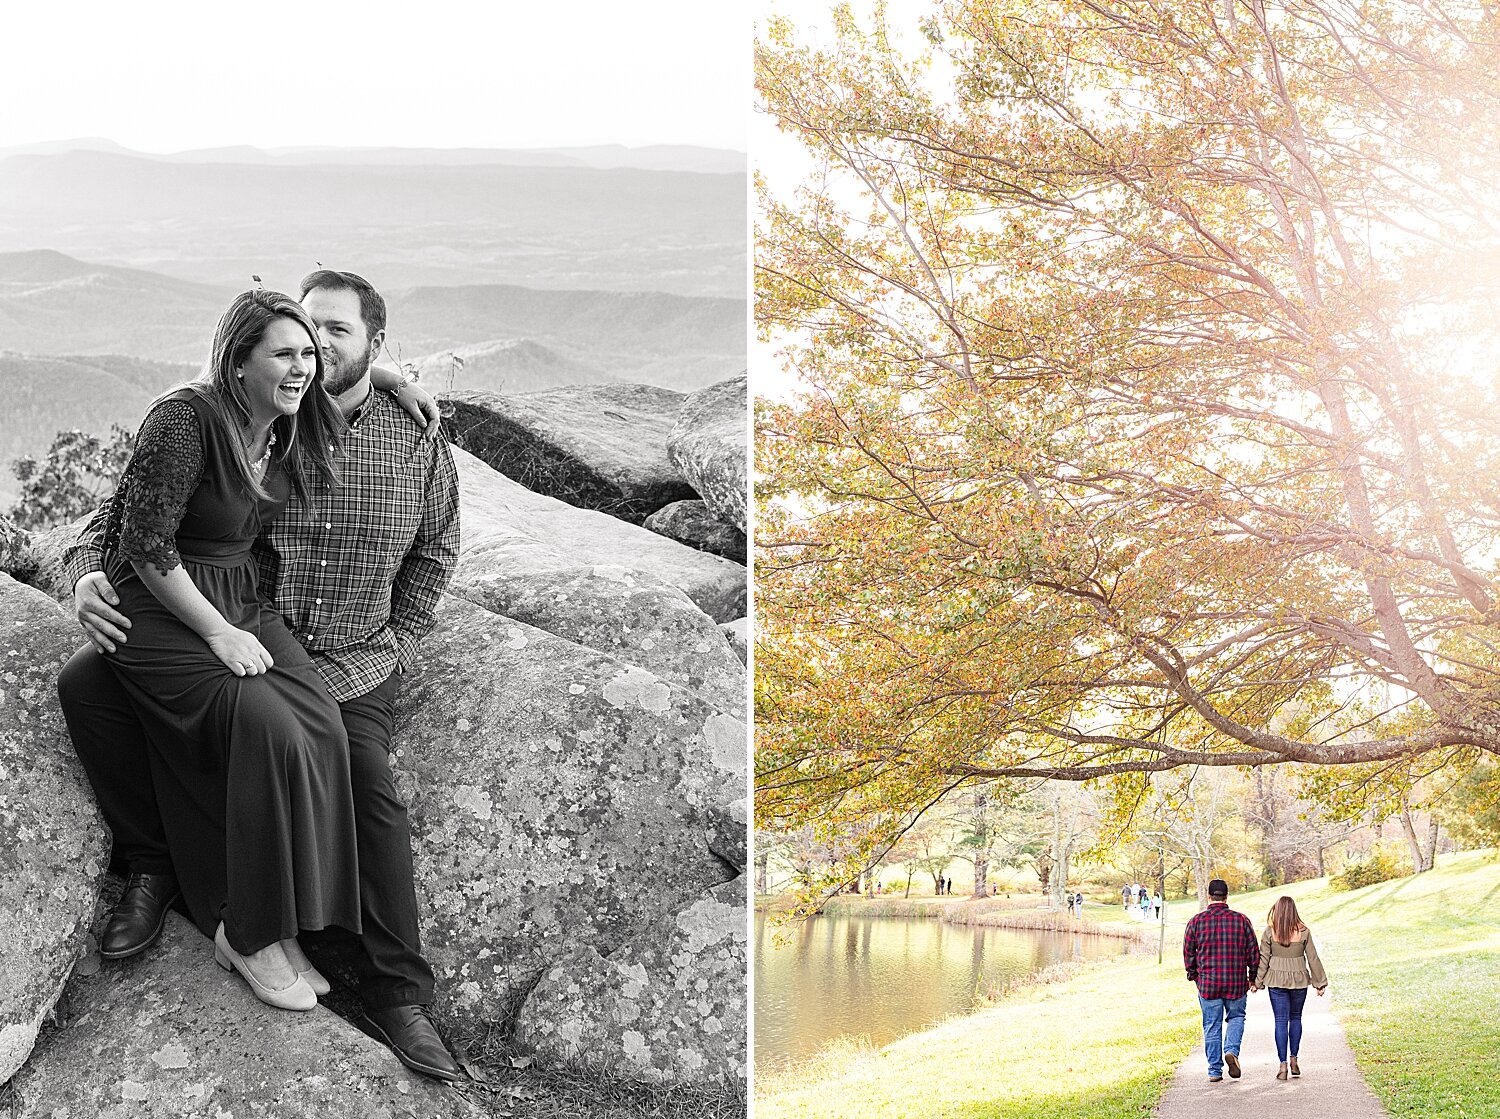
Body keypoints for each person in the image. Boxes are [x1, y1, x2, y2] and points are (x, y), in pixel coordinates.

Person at [61, 270, 463, 1081]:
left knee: (363, 778)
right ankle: (167, 872)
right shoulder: (265, 409)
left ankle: (394, 990)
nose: (312, 353)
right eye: (304, 335)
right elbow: (133, 512)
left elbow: (437, 553)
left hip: (352, 656)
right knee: (91, 685)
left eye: (332, 338)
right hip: (235, 617)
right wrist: (81, 571)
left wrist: (397, 645)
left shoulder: (410, 434)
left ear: (372, 347)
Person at [59, 289, 363, 1013]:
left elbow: (347, 368)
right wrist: (219, 634)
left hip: (236, 590)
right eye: (283, 354)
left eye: (308, 355)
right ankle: (244, 930)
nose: (301, 368)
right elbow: (144, 538)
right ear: (237, 361)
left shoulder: (286, 417)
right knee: (261, 719)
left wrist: (393, 378)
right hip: (159, 595)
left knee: (319, 719)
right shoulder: (185, 419)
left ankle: (282, 923)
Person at [1182, 878, 1259, 1083]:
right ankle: (1231, 1051)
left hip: (1208, 983)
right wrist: (1252, 977)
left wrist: (1194, 976)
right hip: (1235, 981)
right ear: (1226, 896)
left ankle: (1214, 1071)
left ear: (1209, 896)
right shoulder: (1241, 920)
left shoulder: (1196, 921)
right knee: (1236, 1017)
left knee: (1211, 1024)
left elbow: (1188, 952)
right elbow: (1253, 952)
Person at [1251, 896, 1328, 1081]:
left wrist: (1257, 981)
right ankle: (1294, 1058)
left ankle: (1283, 1065)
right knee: (1295, 1018)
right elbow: (1313, 958)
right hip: (1299, 979)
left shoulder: (1270, 932)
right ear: (1294, 911)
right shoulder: (1303, 932)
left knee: (1280, 1021)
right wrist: (1320, 982)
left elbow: (1264, 959)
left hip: (1276, 980)